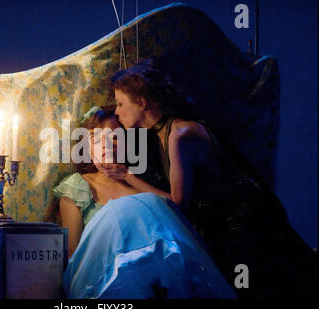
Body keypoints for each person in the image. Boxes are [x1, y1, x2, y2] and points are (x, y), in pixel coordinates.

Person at [103, 60, 317, 299]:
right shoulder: (162, 135)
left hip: (246, 228)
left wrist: (126, 176)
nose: (117, 112)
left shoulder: (179, 135)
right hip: (231, 227)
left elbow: (177, 202)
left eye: (121, 103)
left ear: (142, 102)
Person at [49, 105, 237, 299]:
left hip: (162, 279)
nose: (107, 144)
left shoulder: (140, 185)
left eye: (115, 137)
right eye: (97, 139)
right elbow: (74, 254)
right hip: (105, 281)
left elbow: (174, 214)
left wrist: (128, 176)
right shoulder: (79, 186)